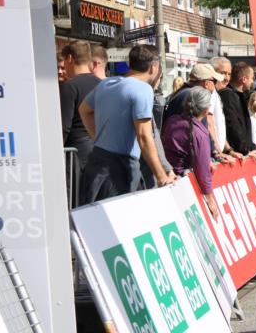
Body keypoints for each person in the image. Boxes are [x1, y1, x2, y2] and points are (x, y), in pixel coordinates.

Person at [78, 45, 175, 203]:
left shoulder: (106, 84)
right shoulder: (143, 90)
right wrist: (162, 177)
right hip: (119, 171)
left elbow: (84, 110)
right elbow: (144, 137)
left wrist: (97, 138)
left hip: (97, 163)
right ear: (154, 67)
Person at [161, 86, 225, 218]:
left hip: (165, 177)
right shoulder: (199, 133)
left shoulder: (172, 121)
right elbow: (202, 170)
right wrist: (210, 199)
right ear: (206, 109)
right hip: (183, 185)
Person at [59, 41, 99, 171]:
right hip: (100, 151)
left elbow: (64, 126)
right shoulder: (103, 84)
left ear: (69, 58)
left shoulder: (70, 86)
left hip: (76, 156)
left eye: (64, 63)